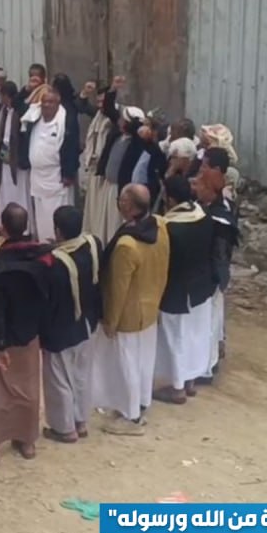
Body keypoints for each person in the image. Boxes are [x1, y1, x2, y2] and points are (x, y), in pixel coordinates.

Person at [0, 203, 55, 464]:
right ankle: (27, 441)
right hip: (30, 335)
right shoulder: (43, 259)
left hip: (3, 339)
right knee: (28, 390)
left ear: (3, 229)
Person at [90, 183, 168, 434]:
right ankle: (141, 402)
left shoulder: (127, 245)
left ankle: (131, 417)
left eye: (121, 200)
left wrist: (110, 321)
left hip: (129, 314)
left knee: (127, 365)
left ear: (129, 206)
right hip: (150, 307)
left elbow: (118, 288)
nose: (118, 203)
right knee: (143, 362)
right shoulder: (160, 225)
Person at [153, 175, 217, 405]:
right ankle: (190, 381)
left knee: (176, 338)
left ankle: (177, 388)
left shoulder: (169, 228)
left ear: (170, 199)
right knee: (195, 335)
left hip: (178, 291)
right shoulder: (204, 215)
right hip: (202, 287)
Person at [41, 206, 102, 443]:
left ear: (58, 231)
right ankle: (81, 422)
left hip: (62, 328)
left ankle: (64, 428)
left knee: (59, 379)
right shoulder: (93, 244)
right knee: (81, 374)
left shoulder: (54, 264)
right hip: (88, 321)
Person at [193, 162, 238, 384]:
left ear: (210, 190)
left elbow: (220, 253)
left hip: (212, 277)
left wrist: (216, 278)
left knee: (210, 322)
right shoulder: (207, 210)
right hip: (206, 276)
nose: (196, 188)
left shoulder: (220, 219)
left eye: (200, 185)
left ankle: (206, 368)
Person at [24, 87, 80, 242]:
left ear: (58, 102)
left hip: (56, 178)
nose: (46, 105)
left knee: (58, 217)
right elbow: (19, 104)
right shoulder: (34, 118)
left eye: (50, 102)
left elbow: (72, 148)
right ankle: (44, 244)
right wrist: (32, 91)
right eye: (44, 102)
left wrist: (68, 174)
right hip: (38, 178)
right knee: (41, 217)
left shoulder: (65, 121)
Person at [79, 82, 122, 242]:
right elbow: (81, 106)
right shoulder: (98, 115)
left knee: (102, 211)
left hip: (105, 172)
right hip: (93, 168)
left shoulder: (115, 118)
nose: (99, 105)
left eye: (102, 101)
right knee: (92, 208)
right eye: (97, 102)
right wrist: (84, 93)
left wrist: (113, 89)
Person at [0, 82, 31, 234]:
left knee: (19, 190)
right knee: (5, 188)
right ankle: (3, 223)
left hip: (17, 156)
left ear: (6, 96)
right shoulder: (4, 110)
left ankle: (22, 226)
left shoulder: (20, 110)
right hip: (5, 152)